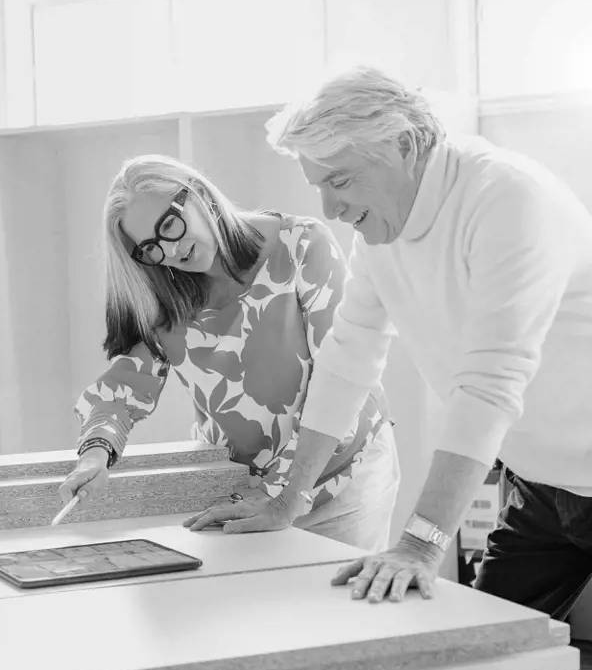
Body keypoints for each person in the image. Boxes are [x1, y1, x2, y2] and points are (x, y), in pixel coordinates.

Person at [208, 65, 592, 670]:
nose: (331, 209)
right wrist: (286, 497)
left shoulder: (505, 199)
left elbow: (490, 382)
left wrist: (422, 542)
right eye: (319, 187)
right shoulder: (380, 237)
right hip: (545, 483)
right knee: (477, 661)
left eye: (340, 180)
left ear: (403, 146)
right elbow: (347, 358)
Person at [57, 153, 401, 552]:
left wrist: (285, 496)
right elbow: (121, 391)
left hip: (344, 477)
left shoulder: (302, 246)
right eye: (150, 248)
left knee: (334, 610)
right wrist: (94, 456)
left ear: (199, 195)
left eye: (169, 225)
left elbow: (343, 383)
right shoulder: (166, 298)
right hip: (249, 492)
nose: (169, 250)